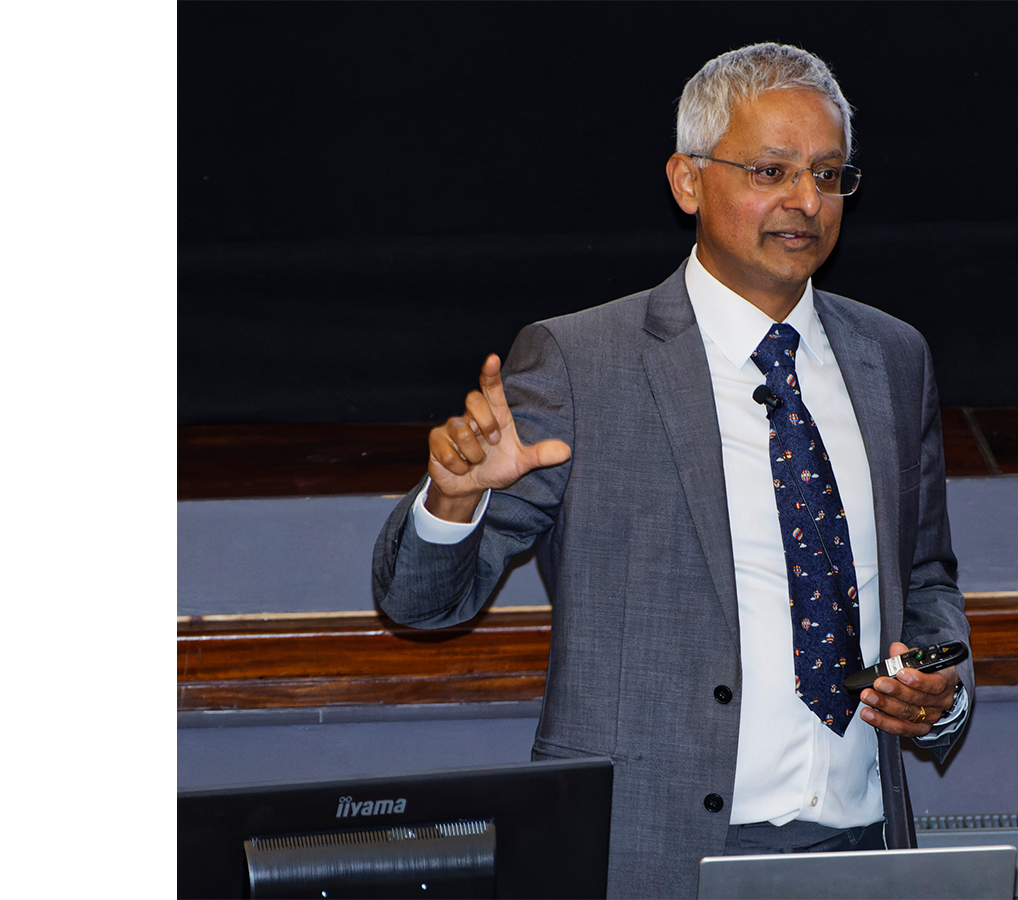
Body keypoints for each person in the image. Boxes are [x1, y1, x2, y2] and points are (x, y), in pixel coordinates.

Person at [372, 42, 972, 899]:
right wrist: (452, 501)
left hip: (862, 844)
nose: (806, 201)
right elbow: (419, 602)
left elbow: (925, 577)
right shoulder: (582, 363)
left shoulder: (893, 358)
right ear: (688, 181)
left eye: (828, 175)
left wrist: (941, 692)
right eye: (771, 171)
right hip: (654, 857)